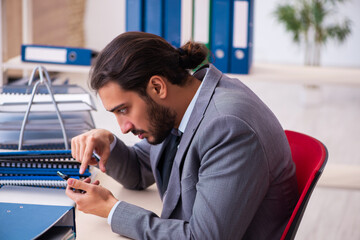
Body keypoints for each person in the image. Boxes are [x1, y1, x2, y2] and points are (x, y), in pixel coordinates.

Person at [66, 31, 299, 239]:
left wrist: (112, 210)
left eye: (123, 110)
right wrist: (108, 143)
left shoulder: (227, 127)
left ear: (157, 87)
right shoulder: (181, 106)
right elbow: (140, 171)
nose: (123, 127)